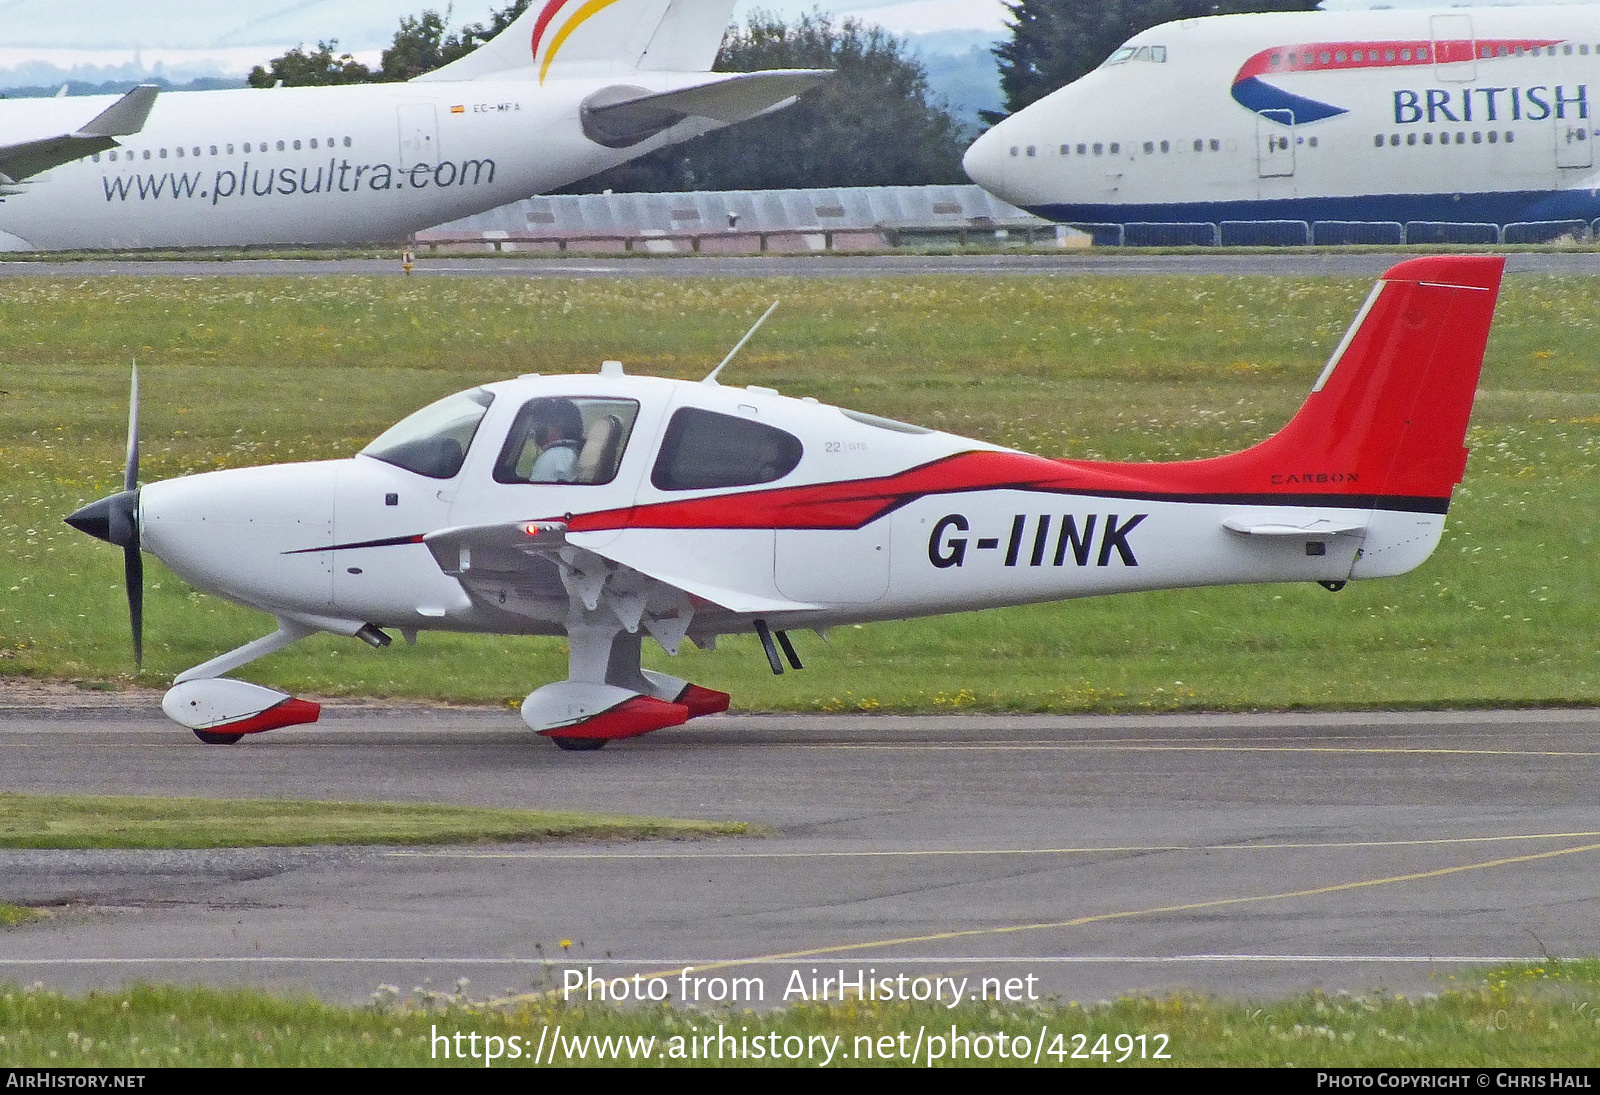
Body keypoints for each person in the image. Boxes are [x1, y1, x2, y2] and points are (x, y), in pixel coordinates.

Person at [526, 399, 585, 483]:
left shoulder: (553, 456)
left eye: (539, 424)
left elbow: (536, 494)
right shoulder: (576, 451)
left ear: (555, 426)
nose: (535, 431)